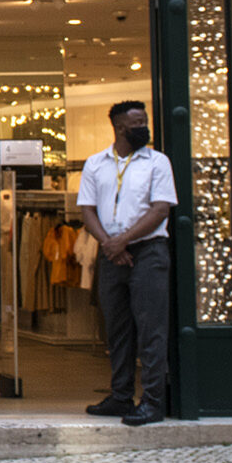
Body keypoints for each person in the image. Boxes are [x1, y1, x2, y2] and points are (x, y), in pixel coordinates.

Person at [77, 100, 177, 427]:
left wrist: (124, 240)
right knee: (117, 328)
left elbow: (161, 209)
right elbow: (87, 209)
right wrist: (110, 244)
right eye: (137, 123)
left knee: (151, 327)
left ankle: (152, 400)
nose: (144, 127)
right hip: (111, 255)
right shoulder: (95, 164)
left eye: (144, 121)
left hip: (149, 251)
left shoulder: (158, 162)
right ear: (120, 127)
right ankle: (120, 394)